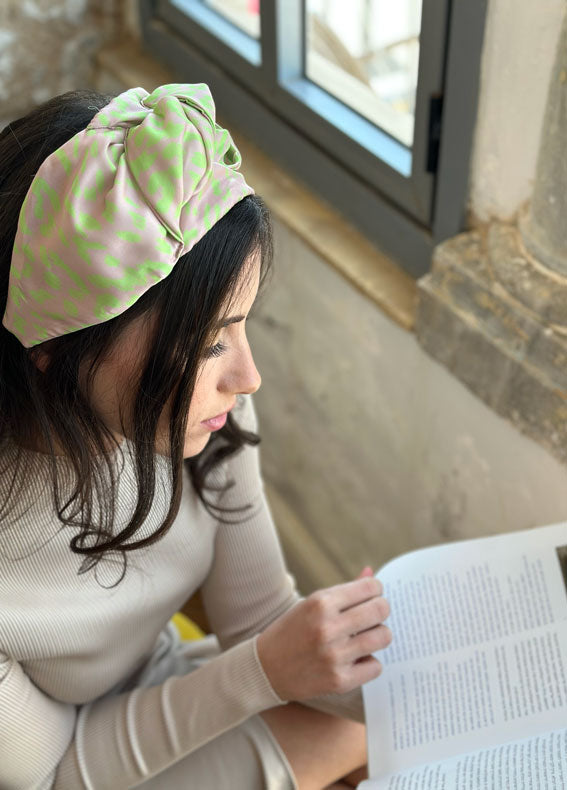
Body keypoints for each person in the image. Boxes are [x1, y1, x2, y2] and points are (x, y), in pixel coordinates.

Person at [0, 84, 392, 789]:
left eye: (241, 325)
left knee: (375, 727)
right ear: (56, 347)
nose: (248, 378)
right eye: (209, 343)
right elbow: (51, 771)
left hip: (159, 691)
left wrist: (376, 662)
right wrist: (267, 670)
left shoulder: (205, 414)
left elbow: (258, 618)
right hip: (54, 769)